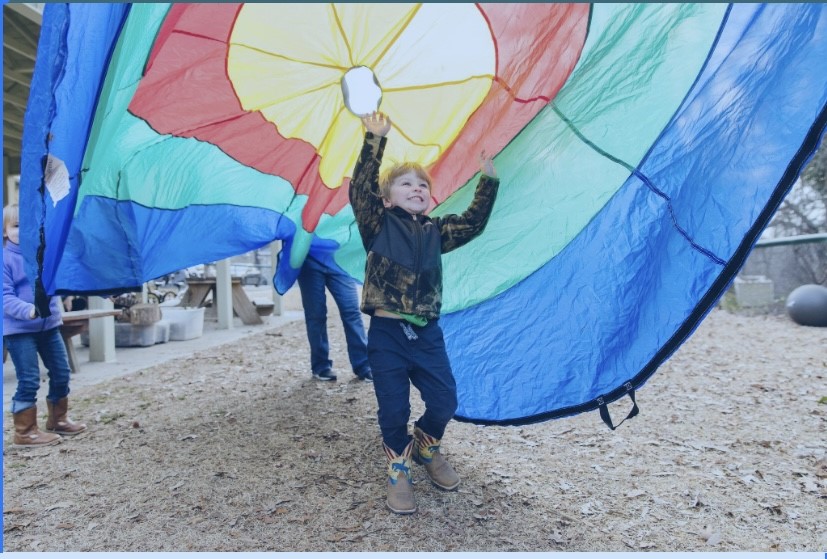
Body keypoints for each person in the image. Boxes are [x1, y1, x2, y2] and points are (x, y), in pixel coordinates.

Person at [349, 112, 499, 514]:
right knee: (393, 407)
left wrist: (488, 181)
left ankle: (427, 444)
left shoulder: (436, 231)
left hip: (427, 334)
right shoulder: (377, 223)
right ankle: (398, 467)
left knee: (445, 399)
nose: (416, 188)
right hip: (387, 335)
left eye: (422, 184)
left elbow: (472, 223)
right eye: (406, 183)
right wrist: (375, 139)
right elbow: (361, 187)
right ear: (387, 199)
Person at [3, 204, 86, 446]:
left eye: (29, 225)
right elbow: (5, 298)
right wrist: (27, 310)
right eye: (16, 226)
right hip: (19, 331)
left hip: (49, 327)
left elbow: (61, 279)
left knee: (61, 372)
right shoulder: (6, 260)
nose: (23, 231)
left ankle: (58, 419)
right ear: (5, 231)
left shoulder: (44, 255)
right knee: (29, 379)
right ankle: (25, 431)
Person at [296, 252, 372, 382]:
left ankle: (363, 365)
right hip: (309, 259)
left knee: (352, 312)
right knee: (316, 315)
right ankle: (320, 366)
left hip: (339, 259)